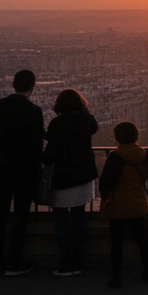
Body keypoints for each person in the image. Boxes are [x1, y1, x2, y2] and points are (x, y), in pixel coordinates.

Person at [0, 70, 44, 276]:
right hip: (25, 168)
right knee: (20, 215)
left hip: (2, 166)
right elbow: (37, 143)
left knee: (0, 212)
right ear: (32, 86)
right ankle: (14, 262)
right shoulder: (34, 111)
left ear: (13, 85)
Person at [41, 89, 98, 276]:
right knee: (79, 217)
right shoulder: (87, 120)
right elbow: (93, 127)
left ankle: (65, 261)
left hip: (63, 176)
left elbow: (50, 154)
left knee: (61, 220)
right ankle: (78, 261)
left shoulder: (58, 123)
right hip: (83, 176)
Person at [98, 121, 148, 288]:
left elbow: (105, 182)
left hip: (119, 205)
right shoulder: (145, 155)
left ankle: (116, 277)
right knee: (142, 240)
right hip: (139, 203)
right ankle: (147, 272)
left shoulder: (116, 157)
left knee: (116, 242)